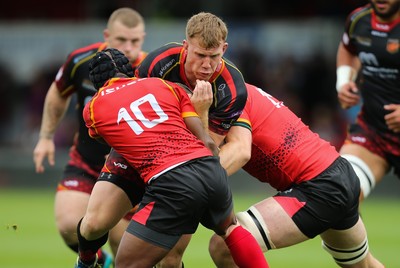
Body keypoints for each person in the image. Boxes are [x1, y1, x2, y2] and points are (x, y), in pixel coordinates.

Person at [74, 11, 248, 268]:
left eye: (214, 57)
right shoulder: (158, 63)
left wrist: (201, 110)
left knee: (169, 258)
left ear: (224, 49)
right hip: (140, 153)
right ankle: (86, 262)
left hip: (184, 167)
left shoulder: (232, 89)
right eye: (200, 55)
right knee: (94, 223)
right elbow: (128, 112)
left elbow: (204, 148)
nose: (207, 65)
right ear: (185, 47)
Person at [207, 83, 384, 267]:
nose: (205, 64)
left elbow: (240, 151)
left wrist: (192, 180)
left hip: (319, 186)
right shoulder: (230, 86)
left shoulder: (228, 94)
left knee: (225, 247)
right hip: (337, 172)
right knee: (365, 265)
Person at [32, 7, 146, 266]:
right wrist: (46, 137)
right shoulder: (81, 60)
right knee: (68, 224)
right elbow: (58, 91)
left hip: (131, 170)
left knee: (123, 242)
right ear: (107, 35)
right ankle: (99, 260)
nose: (128, 47)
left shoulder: (152, 68)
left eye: (135, 41)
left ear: (143, 38)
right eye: (121, 40)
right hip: (87, 160)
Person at [335, 0, 400, 201]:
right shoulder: (358, 20)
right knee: (338, 194)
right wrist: (344, 81)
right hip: (373, 132)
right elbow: (348, 48)